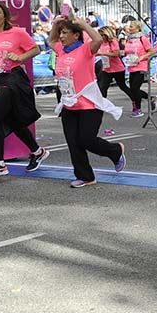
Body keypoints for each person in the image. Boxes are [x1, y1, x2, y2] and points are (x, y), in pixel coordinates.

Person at [0, 1, 48, 178]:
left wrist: (20, 56)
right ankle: (37, 152)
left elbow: (35, 49)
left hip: (12, 79)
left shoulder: (17, 33)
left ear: (4, 14)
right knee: (13, 121)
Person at [49, 15, 126, 188]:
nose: (61, 36)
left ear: (76, 35)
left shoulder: (86, 49)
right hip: (69, 103)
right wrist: (56, 24)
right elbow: (51, 40)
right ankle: (85, 176)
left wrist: (83, 24)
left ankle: (115, 150)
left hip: (89, 104)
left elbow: (97, 38)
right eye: (61, 33)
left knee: (86, 140)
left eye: (65, 32)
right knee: (73, 142)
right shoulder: (61, 50)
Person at [122, 20, 156, 116]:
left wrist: (141, 58)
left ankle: (138, 109)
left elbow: (151, 51)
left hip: (141, 66)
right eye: (129, 26)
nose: (129, 28)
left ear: (138, 28)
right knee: (133, 89)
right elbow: (127, 51)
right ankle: (151, 98)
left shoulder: (143, 38)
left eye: (132, 26)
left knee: (135, 87)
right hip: (132, 66)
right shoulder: (129, 39)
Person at [97, 26, 134, 104]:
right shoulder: (101, 43)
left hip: (117, 69)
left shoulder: (113, 41)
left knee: (123, 87)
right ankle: (101, 104)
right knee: (103, 87)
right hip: (106, 68)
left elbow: (116, 54)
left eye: (103, 35)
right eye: (100, 35)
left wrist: (103, 53)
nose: (102, 37)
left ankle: (136, 99)